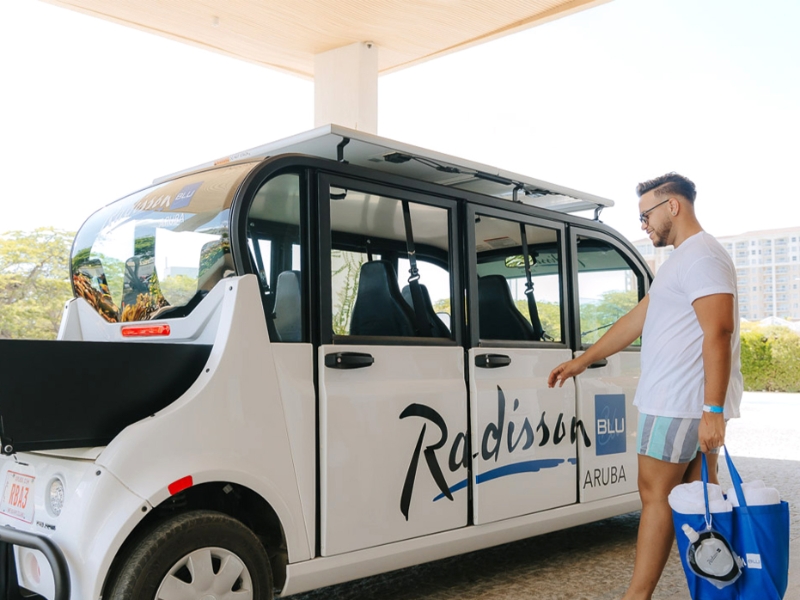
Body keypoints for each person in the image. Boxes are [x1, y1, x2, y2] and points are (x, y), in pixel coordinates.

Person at [547, 172, 742, 600]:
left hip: (677, 403)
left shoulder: (701, 257)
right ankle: (714, 590)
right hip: (685, 405)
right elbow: (636, 320)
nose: (643, 225)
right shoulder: (681, 261)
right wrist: (582, 361)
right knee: (696, 506)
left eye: (646, 215)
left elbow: (719, 332)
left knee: (656, 498)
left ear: (673, 205)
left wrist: (712, 410)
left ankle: (636, 596)